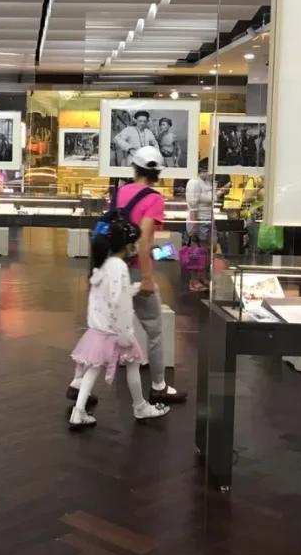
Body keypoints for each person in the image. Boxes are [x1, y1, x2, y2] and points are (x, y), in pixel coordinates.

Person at [74, 146, 186, 406]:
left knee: (101, 329)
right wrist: (147, 278)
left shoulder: (120, 193)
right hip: (134, 269)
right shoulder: (154, 199)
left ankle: (78, 383)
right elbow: (144, 241)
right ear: (157, 172)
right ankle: (158, 386)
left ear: (134, 167)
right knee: (154, 329)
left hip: (110, 266)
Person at [67, 216, 170, 428]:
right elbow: (118, 300)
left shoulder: (104, 265)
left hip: (99, 329)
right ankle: (140, 406)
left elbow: (108, 295)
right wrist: (125, 332)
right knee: (133, 364)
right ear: (129, 245)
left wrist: (134, 288)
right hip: (115, 330)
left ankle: (78, 411)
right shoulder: (119, 267)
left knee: (93, 369)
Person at [184, 158, 214, 265]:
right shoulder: (194, 182)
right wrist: (195, 225)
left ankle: (203, 271)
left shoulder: (207, 182)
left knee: (206, 250)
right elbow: (193, 206)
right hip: (199, 220)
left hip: (207, 219)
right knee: (198, 251)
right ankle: (196, 273)